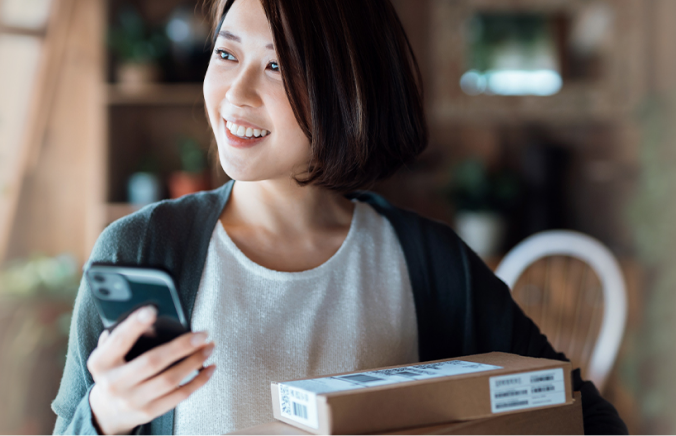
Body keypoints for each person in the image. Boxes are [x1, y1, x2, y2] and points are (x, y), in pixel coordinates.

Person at [52, 0, 628, 434]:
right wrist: (105, 415)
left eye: (278, 67)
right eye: (227, 54)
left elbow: (586, 418)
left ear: (350, 89)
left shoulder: (428, 261)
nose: (236, 93)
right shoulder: (142, 249)